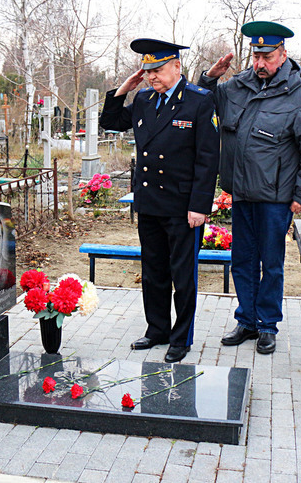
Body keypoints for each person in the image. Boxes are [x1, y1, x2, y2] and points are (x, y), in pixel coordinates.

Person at [199, 21, 301, 354]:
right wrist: (210, 78)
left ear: (283, 54)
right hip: (241, 193)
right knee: (242, 260)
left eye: (267, 57)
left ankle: (267, 325)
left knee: (270, 264)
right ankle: (247, 320)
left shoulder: (300, 96)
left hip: (275, 197)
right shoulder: (239, 85)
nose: (259, 64)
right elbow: (205, 103)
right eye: (256, 56)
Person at [100, 38, 220, 363]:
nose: (152, 76)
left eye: (159, 69)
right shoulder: (142, 100)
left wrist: (200, 206)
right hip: (150, 202)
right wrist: (123, 89)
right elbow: (109, 122)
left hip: (183, 207)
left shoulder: (199, 101)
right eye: (148, 70)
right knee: (154, 272)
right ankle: (157, 330)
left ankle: (181, 339)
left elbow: (208, 159)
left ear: (177, 67)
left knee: (182, 275)